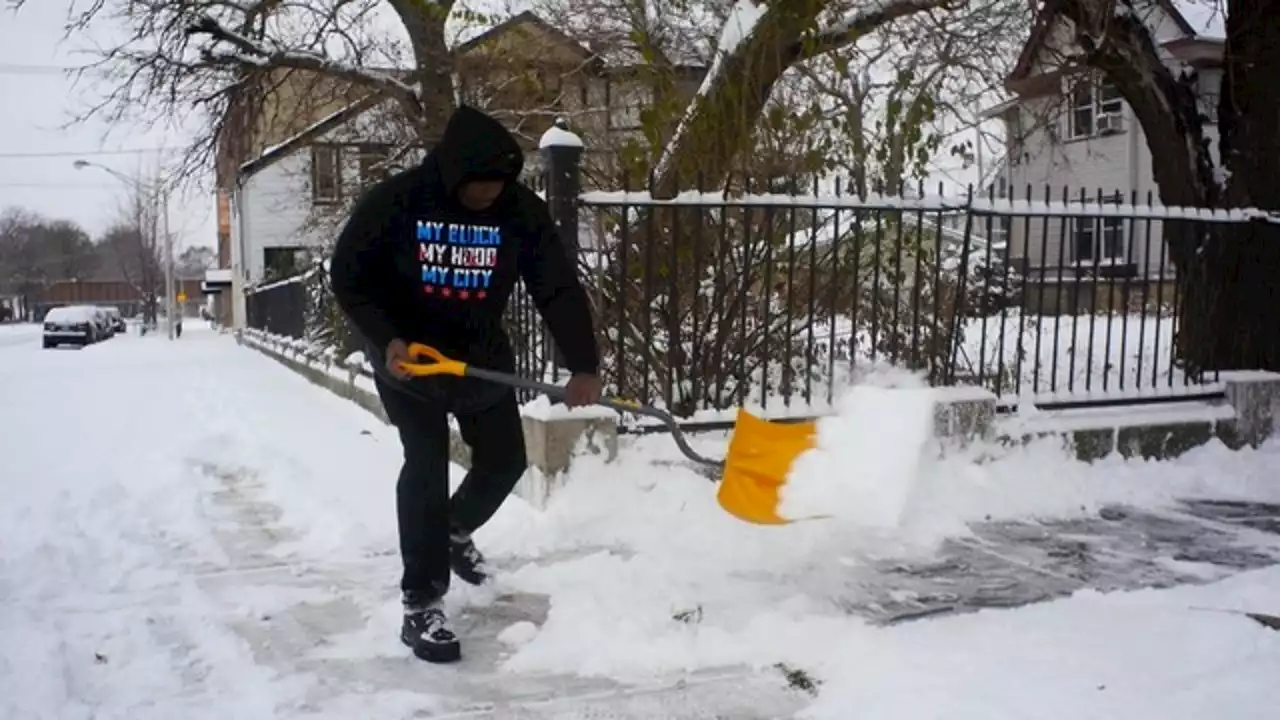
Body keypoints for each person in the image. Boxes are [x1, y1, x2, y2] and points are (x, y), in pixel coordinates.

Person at [328, 105, 601, 664]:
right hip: (412, 360)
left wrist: (583, 364)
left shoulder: (519, 210)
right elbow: (350, 276)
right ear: (453, 175)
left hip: (479, 357)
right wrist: (386, 340)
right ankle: (422, 602)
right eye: (478, 188)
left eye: (498, 188)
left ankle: (450, 530)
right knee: (425, 465)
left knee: (505, 461)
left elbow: (557, 288)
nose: (488, 198)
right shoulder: (397, 201)